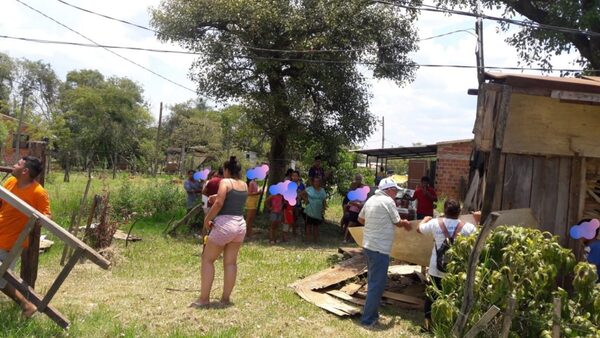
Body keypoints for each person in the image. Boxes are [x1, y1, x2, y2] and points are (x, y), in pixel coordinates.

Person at [191, 156, 248, 308]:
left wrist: (207, 219)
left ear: (227, 170)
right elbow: (233, 199)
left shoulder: (225, 182)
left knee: (207, 260)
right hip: (240, 225)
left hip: (224, 225)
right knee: (230, 263)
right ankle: (225, 298)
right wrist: (218, 197)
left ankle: (203, 299)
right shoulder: (244, 185)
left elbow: (219, 203)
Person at [0, 156, 51, 317]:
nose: (13, 166)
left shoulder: (38, 192)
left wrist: (36, 218)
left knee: (1, 278)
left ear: (25, 171)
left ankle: (26, 305)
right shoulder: (10, 183)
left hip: (11, 243)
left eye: (17, 164)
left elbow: (47, 217)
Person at [357, 177, 411, 327]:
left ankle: (372, 315)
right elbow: (397, 222)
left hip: (368, 245)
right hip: (379, 248)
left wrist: (374, 225)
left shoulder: (371, 200)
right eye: (395, 191)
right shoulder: (388, 201)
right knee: (377, 285)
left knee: (373, 282)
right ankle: (367, 320)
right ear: (389, 190)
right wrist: (406, 223)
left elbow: (360, 219)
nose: (396, 194)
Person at [417, 199, 476, 332]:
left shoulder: (434, 223)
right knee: (454, 297)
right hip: (456, 270)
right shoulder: (468, 227)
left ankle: (428, 326)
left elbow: (418, 229)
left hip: (435, 268)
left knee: (431, 297)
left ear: (444, 211)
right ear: (459, 212)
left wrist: (425, 219)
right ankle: (450, 326)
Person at [301, 176, 327, 242]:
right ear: (313, 182)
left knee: (316, 226)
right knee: (308, 225)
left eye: (318, 181)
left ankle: (315, 240)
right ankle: (308, 239)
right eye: (315, 181)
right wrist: (306, 200)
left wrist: (324, 208)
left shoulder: (322, 190)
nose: (316, 183)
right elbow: (301, 194)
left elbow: (324, 200)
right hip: (310, 209)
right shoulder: (309, 189)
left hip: (318, 210)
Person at [344, 174, 365, 243]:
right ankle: (345, 238)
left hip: (359, 209)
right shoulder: (353, 186)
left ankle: (351, 239)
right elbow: (350, 198)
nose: (358, 180)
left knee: (355, 225)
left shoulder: (363, 186)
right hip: (353, 208)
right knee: (350, 224)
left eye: (359, 179)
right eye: (357, 178)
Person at [290, 170, 305, 236]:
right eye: (293, 176)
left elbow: (304, 193)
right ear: (291, 177)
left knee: (297, 217)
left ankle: (296, 230)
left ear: (298, 177)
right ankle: (292, 230)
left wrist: (302, 197)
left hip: (298, 204)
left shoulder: (301, 185)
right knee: (291, 217)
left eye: (296, 176)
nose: (294, 177)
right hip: (289, 204)